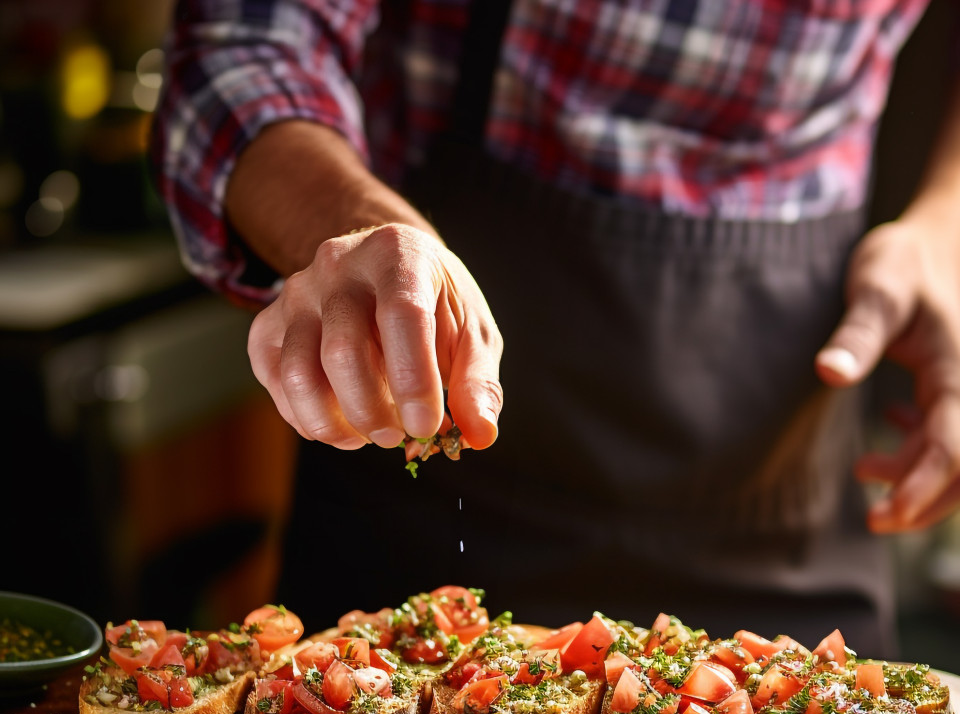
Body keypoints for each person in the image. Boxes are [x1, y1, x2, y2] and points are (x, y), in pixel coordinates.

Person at [151, 0, 960, 657]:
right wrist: (357, 228)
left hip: (785, 505)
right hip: (421, 527)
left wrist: (942, 235)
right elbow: (242, 44)